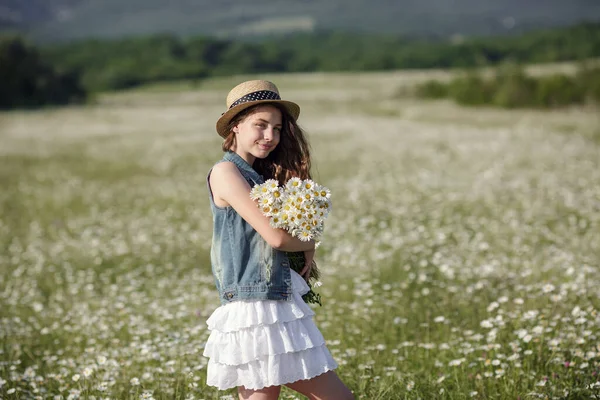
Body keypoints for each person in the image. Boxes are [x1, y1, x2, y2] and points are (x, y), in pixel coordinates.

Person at [203, 80, 355, 400]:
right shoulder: (226, 173)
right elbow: (276, 238)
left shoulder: (259, 177)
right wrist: (309, 244)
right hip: (255, 307)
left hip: (271, 303)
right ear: (236, 126)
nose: (270, 136)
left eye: (277, 128)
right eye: (260, 125)